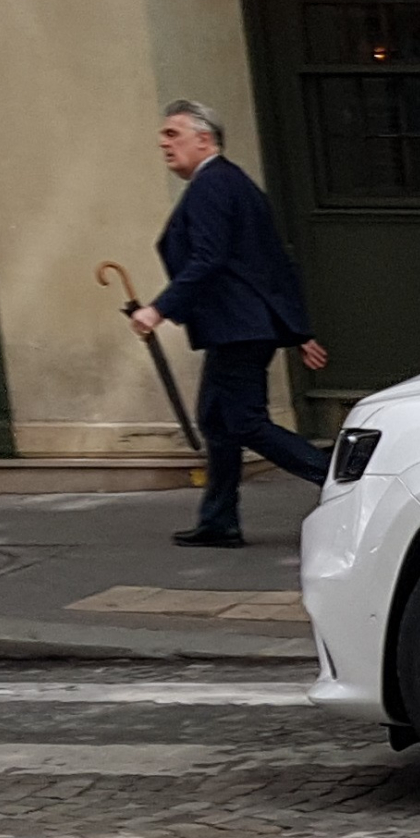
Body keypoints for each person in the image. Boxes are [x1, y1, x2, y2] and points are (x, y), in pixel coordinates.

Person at [131, 99, 330, 548]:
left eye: (173, 134)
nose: (163, 143)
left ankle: (339, 476)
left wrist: (158, 309)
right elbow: (272, 262)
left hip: (238, 326)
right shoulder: (232, 184)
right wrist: (297, 330)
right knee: (217, 421)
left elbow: (209, 259)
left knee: (243, 421)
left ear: (205, 140)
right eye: (162, 135)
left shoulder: (213, 187)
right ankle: (219, 520)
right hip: (240, 325)